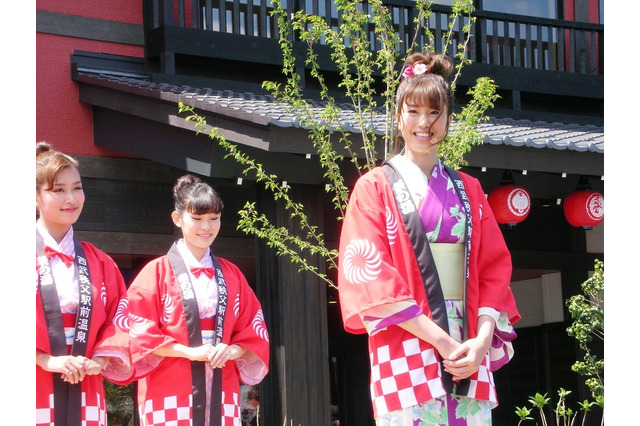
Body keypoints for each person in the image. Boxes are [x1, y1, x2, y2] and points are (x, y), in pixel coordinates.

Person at [337, 52, 521, 425]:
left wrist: (482, 340)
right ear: (398, 117)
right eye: (413, 112)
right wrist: (441, 341)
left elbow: (493, 269)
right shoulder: (374, 187)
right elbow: (371, 275)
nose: (424, 123)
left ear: (449, 119)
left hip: (468, 338)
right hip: (407, 335)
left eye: (435, 113)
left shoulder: (469, 189)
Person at [127, 174, 270, 425]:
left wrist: (232, 349)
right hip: (169, 388)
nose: (206, 227)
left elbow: (252, 331)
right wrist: (190, 352)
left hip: (222, 388)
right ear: (177, 219)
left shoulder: (232, 274)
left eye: (214, 218)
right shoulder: (155, 272)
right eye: (197, 218)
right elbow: (138, 333)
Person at [35, 142, 133, 425]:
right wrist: (45, 360)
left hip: (86, 387)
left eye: (77, 188)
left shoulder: (100, 261)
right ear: (35, 196)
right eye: (58, 190)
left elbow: (119, 318)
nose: (71, 198)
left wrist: (98, 361)